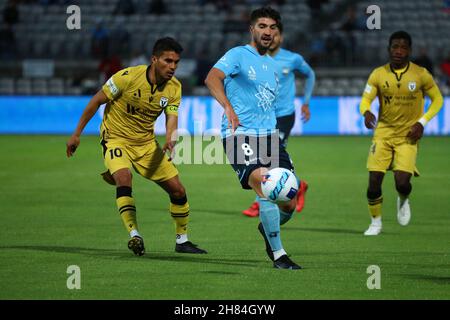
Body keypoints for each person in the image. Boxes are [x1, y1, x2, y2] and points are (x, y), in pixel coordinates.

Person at [66, 37, 207, 256]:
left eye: (176, 62)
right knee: (124, 177)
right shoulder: (127, 77)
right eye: (168, 61)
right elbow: (96, 101)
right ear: (154, 59)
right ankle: (134, 235)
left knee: (178, 190)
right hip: (116, 137)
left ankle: (182, 240)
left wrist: (170, 137)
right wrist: (76, 134)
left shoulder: (174, 87)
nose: (172, 67)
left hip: (146, 143)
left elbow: (172, 116)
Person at [205, 6, 303, 269]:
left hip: (270, 137)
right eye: (262, 26)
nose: (267, 32)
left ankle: (268, 228)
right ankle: (279, 253)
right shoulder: (237, 55)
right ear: (252, 29)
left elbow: (269, 104)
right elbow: (212, 78)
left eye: (272, 27)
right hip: (239, 136)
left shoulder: (272, 66)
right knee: (263, 181)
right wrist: (227, 106)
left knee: (289, 202)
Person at [360, 31, 443, 236]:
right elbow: (365, 100)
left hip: (408, 135)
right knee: (373, 182)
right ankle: (375, 223)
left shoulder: (421, 74)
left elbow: (438, 100)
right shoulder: (378, 74)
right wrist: (366, 111)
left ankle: (403, 198)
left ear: (409, 50)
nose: (398, 51)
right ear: (389, 49)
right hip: (383, 134)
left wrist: (422, 122)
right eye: (395, 47)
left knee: (402, 182)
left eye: (403, 47)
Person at [242, 21, 315, 217]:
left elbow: (310, 74)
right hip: (263, 118)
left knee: (269, 157)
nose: (269, 35)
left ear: (280, 37)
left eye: (274, 31)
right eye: (265, 30)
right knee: (266, 158)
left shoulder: (292, 59)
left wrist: (306, 102)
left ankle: (261, 200)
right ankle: (298, 185)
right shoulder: (257, 59)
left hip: (283, 116)